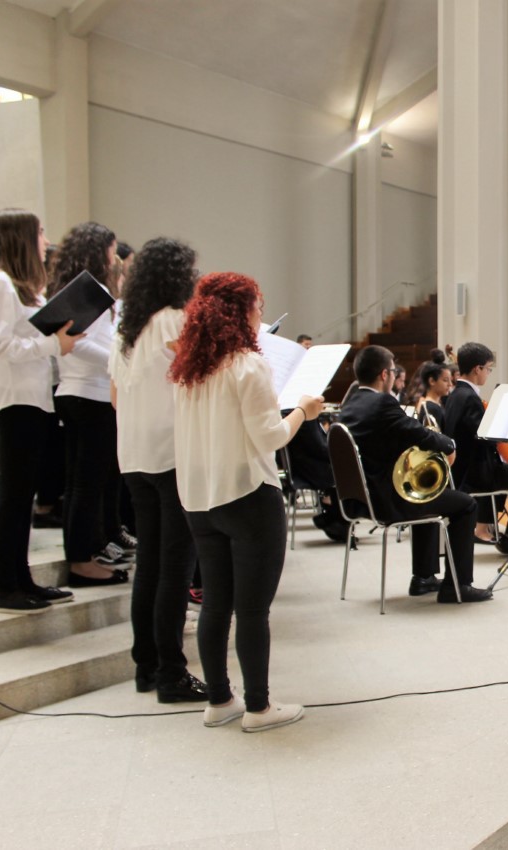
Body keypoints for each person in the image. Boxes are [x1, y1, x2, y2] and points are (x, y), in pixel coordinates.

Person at [171, 272, 323, 732]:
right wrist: (303, 410)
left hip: (199, 498)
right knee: (253, 609)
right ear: (241, 313)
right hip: (248, 496)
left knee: (215, 603)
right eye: (258, 305)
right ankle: (259, 707)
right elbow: (270, 438)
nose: (262, 313)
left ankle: (219, 700)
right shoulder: (247, 365)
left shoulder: (188, 369)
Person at [110, 237, 206, 702]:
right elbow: (205, 377)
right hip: (170, 455)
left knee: (149, 564)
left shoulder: (126, 329)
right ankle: (171, 673)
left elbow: (113, 396)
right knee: (176, 568)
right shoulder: (174, 321)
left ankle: (145, 666)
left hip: (134, 456)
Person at [0, 210, 83, 613]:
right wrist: (52, 345)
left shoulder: (17, 286)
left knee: (24, 494)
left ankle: (23, 579)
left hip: (33, 397)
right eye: (39, 232)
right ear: (21, 237)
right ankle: (7, 586)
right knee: (15, 496)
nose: (45, 239)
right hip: (14, 398)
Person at [338, 345, 492, 603]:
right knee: (466, 504)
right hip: (388, 500)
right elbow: (417, 432)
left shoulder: (351, 403)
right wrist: (448, 444)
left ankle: (423, 578)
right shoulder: (383, 402)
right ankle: (458, 585)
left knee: (427, 491)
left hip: (362, 498)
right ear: (384, 375)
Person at [51, 222, 133, 586]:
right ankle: (82, 561)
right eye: (111, 250)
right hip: (87, 392)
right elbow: (76, 342)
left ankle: (92, 549)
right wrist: (119, 359)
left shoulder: (78, 287)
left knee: (90, 481)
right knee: (87, 482)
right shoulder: (91, 288)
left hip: (84, 391)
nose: (115, 258)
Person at [442, 341, 508, 556]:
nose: (488, 373)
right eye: (488, 368)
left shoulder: (455, 395)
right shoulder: (469, 398)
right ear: (477, 369)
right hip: (477, 472)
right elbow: (485, 436)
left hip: (464, 468)